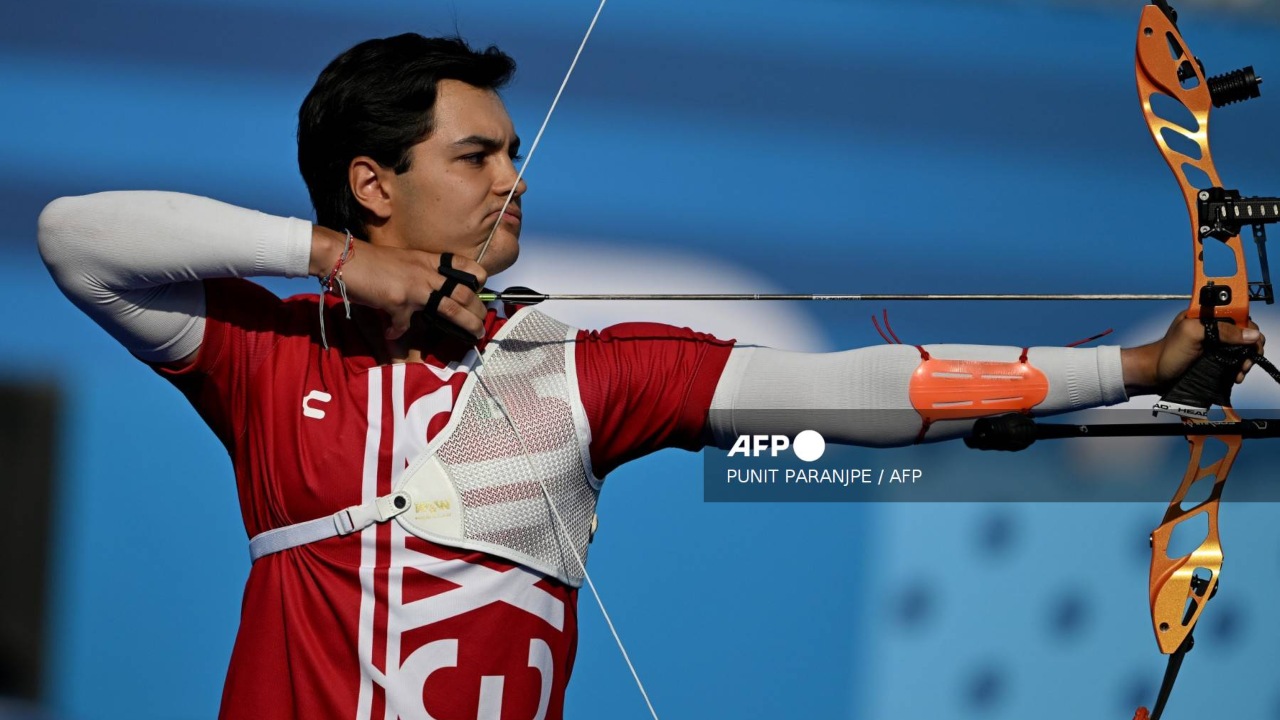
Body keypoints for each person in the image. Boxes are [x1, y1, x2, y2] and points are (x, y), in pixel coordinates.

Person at [36, 33, 1261, 720]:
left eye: (516, 151)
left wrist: (1141, 365)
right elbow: (77, 239)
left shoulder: (583, 371)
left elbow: (852, 397)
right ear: (372, 184)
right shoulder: (268, 353)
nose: (514, 177)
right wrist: (331, 265)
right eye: (475, 155)